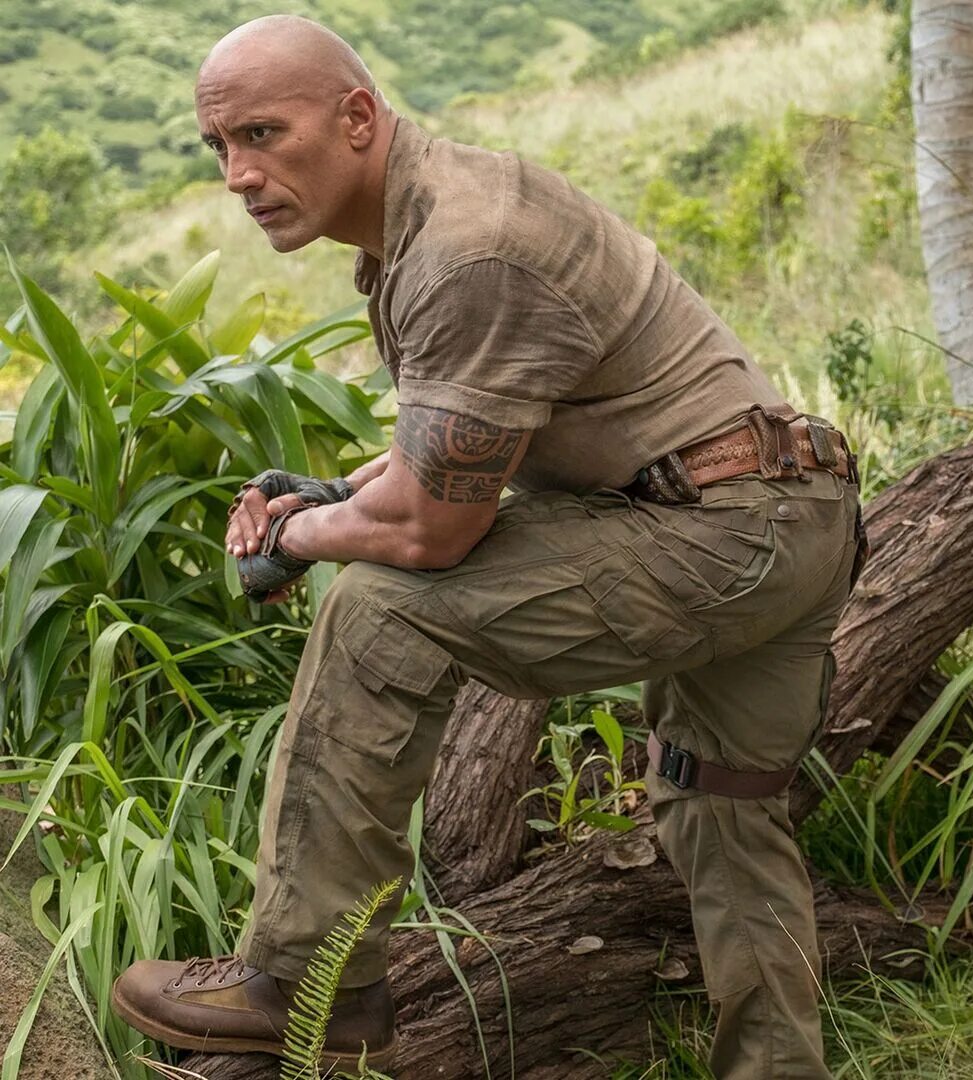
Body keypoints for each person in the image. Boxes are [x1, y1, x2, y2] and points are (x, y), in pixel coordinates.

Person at [107, 16, 860, 1078]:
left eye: (264, 134)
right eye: (219, 147)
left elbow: (430, 526)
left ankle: (305, 980)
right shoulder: (436, 214)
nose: (239, 173)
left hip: (720, 533)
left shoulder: (465, 248)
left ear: (357, 116)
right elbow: (460, 448)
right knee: (719, 807)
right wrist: (327, 495)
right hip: (790, 512)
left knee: (376, 610)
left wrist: (301, 537)